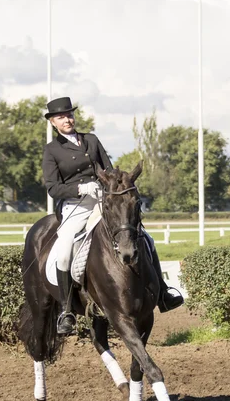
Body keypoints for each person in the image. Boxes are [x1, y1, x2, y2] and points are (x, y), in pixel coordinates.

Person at [42, 96, 184, 335]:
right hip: (75, 205)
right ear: (53, 123)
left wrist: (111, 185)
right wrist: (79, 188)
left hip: (103, 201)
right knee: (64, 249)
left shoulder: (91, 139)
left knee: (145, 239)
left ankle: (163, 293)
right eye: (61, 117)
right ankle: (66, 311)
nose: (67, 119)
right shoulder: (52, 150)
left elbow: (108, 169)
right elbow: (52, 188)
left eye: (69, 115)